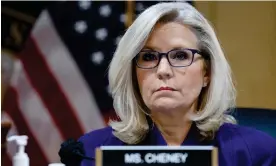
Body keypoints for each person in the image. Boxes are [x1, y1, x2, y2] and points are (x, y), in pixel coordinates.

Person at [59, 2, 276, 166]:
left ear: (207, 72)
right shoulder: (93, 151)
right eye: (148, 57)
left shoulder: (254, 153)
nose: (162, 70)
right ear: (133, 73)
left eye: (181, 56)